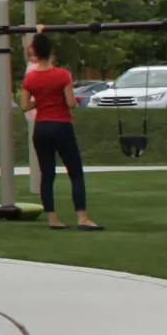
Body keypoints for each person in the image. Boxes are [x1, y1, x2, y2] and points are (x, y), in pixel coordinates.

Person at [20, 31, 100, 230]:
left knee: (47, 175)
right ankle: (82, 217)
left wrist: (41, 100)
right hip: (62, 126)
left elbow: (24, 106)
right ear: (51, 52)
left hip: (42, 128)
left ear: (35, 54)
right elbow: (71, 103)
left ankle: (53, 220)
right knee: (75, 173)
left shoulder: (30, 79)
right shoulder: (62, 75)